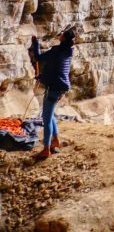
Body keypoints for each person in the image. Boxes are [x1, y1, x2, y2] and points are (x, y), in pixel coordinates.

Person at [29, 27, 76, 161]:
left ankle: (46, 149)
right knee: (49, 114)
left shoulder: (56, 51)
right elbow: (56, 69)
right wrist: (42, 77)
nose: (60, 34)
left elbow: (39, 58)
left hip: (55, 87)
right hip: (62, 87)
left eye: (62, 34)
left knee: (46, 118)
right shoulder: (69, 51)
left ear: (64, 38)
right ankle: (55, 140)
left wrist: (35, 43)